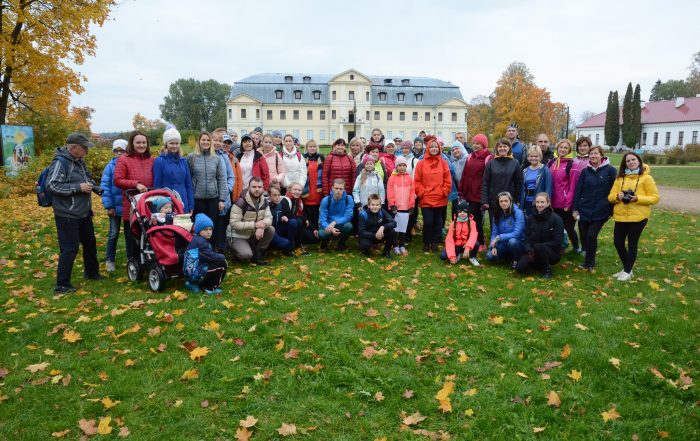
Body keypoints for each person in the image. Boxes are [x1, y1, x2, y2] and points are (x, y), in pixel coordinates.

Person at [47, 132, 103, 292]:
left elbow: (86, 179)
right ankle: (62, 284)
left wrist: (94, 187)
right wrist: (78, 188)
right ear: (73, 147)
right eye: (84, 148)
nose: (87, 151)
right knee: (70, 248)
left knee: (90, 243)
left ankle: (91, 272)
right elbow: (52, 185)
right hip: (67, 214)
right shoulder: (60, 162)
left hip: (83, 212)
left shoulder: (79, 161)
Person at [607, 152, 659, 281]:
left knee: (632, 244)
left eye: (633, 160)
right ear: (624, 164)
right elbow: (610, 197)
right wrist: (617, 196)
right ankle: (627, 269)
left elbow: (655, 198)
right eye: (628, 161)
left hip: (638, 217)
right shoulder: (620, 178)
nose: (631, 162)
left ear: (639, 161)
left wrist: (638, 198)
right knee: (618, 243)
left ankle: (627, 271)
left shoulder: (647, 178)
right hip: (621, 216)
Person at [572, 146, 616, 272]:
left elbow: (614, 190)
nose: (593, 156)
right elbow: (578, 191)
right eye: (591, 154)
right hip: (584, 209)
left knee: (591, 235)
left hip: (601, 211)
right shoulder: (585, 171)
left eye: (596, 153)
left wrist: (611, 210)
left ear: (601, 155)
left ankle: (589, 263)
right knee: (585, 236)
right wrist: (575, 209)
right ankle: (588, 261)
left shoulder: (610, 170)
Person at [115, 131, 155, 261]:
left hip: (148, 203)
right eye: (138, 142)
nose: (141, 145)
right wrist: (135, 184)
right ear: (132, 143)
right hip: (132, 204)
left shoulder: (151, 160)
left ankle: (147, 260)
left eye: (144, 142)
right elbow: (118, 180)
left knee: (149, 233)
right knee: (132, 235)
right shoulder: (124, 159)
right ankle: (133, 261)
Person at [187, 131, 227, 247]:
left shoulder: (216, 159)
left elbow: (221, 179)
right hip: (197, 198)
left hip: (213, 198)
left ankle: (211, 249)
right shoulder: (191, 158)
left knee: (211, 225)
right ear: (199, 141)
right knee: (200, 226)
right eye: (203, 140)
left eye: (208, 140)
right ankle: (200, 249)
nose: (206, 142)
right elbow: (188, 179)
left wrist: (222, 199)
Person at [414, 135, 452, 252]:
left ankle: (435, 242)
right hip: (426, 198)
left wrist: (444, 191)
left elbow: (448, 180)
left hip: (440, 197)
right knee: (428, 222)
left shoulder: (444, 163)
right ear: (428, 148)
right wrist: (422, 193)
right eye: (432, 147)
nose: (434, 149)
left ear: (439, 149)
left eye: (436, 147)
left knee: (438, 221)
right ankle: (426, 242)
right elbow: (417, 181)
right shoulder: (421, 163)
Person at [515, 193, 564, 279]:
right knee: (519, 268)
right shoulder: (530, 218)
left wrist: (538, 247)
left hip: (551, 252)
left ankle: (547, 270)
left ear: (548, 203)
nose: (539, 205)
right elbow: (527, 237)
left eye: (542, 202)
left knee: (538, 247)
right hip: (533, 251)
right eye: (537, 202)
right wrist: (529, 250)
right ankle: (538, 265)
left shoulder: (556, 219)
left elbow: (557, 241)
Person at [227, 176, 274, 265]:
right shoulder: (240, 202)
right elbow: (234, 223)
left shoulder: (264, 201)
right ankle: (235, 253)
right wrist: (255, 225)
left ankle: (257, 255)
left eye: (259, 187)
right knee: (246, 255)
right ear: (248, 188)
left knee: (270, 229)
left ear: (263, 188)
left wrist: (262, 226)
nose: (257, 189)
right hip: (237, 235)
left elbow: (269, 218)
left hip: (251, 234)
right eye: (254, 187)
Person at [459, 134, 492, 251]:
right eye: (474, 143)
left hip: (479, 194)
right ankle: (472, 240)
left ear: (484, 145)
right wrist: (461, 191)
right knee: (471, 218)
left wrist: (485, 196)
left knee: (475, 219)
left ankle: (481, 243)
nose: (475, 145)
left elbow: (489, 178)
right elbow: (464, 174)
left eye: (478, 143)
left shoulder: (488, 158)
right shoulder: (470, 156)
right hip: (469, 193)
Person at [548, 139, 579, 253]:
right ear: (557, 148)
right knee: (556, 228)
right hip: (553, 202)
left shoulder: (572, 164)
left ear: (569, 150)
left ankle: (576, 248)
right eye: (561, 147)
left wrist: (568, 203)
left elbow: (573, 186)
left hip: (565, 203)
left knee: (569, 228)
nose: (563, 149)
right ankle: (560, 247)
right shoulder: (551, 162)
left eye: (566, 148)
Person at [153, 127, 194, 213]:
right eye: (171, 143)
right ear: (166, 144)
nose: (175, 146)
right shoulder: (160, 161)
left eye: (177, 143)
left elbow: (188, 185)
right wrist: (159, 206)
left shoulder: (183, 161)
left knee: (183, 221)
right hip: (167, 201)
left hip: (183, 199)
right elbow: (157, 186)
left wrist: (191, 204)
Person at [100, 139, 127, 273]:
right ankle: (110, 259)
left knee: (131, 233)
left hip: (128, 206)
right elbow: (105, 187)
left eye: (122, 151)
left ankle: (132, 257)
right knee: (113, 233)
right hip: (115, 207)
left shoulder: (129, 164)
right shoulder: (110, 167)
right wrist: (109, 206)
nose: (119, 153)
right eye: (116, 151)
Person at [184, 213, 227, 294]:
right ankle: (210, 288)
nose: (208, 232)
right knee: (222, 263)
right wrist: (222, 256)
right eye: (205, 230)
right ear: (198, 230)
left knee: (215, 261)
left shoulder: (196, 239)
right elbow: (211, 256)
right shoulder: (201, 243)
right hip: (195, 274)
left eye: (210, 229)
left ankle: (192, 284)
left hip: (190, 273)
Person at [481, 138, 522, 223]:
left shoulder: (515, 163)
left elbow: (518, 182)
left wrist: (518, 199)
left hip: (510, 200)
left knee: (509, 224)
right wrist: (485, 200)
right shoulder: (491, 163)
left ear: (509, 148)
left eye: (505, 146)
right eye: (500, 147)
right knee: (495, 224)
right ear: (497, 148)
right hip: (493, 200)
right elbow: (485, 182)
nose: (502, 148)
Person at [212, 128, 236, 253]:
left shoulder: (224, 157)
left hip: (224, 195)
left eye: (220, 141)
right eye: (215, 140)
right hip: (211, 195)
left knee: (222, 222)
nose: (218, 143)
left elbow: (231, 176)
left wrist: (227, 188)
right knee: (213, 222)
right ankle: (211, 247)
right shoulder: (207, 155)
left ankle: (221, 248)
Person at [486, 192, 525, 267]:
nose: (503, 203)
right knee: (489, 256)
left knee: (512, 242)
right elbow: (494, 233)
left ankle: (517, 258)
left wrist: (499, 237)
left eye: (506, 201)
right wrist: (493, 247)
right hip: (503, 243)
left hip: (518, 242)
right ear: (498, 203)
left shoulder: (518, 213)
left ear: (511, 201)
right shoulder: (497, 214)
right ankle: (507, 257)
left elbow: (517, 233)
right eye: (501, 201)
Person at [387, 156, 415, 255]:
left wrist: (411, 206)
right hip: (395, 207)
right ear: (396, 167)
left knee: (403, 227)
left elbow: (412, 193)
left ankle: (402, 245)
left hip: (405, 208)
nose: (402, 167)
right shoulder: (392, 178)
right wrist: (392, 204)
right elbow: (390, 192)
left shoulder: (409, 178)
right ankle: (395, 245)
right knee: (395, 228)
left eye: (404, 165)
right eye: (399, 165)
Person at [318, 178, 354, 251]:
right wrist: (331, 229)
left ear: (344, 189)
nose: (338, 191)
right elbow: (322, 219)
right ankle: (325, 241)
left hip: (341, 224)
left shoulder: (349, 199)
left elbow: (348, 216)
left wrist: (335, 222)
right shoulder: (326, 200)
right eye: (336, 188)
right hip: (328, 224)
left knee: (349, 226)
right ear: (332, 188)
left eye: (341, 189)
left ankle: (341, 243)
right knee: (322, 234)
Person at [357, 193, 397, 259]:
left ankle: (386, 252)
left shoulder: (382, 211)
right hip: (368, 237)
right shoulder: (363, 214)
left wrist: (383, 227)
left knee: (392, 231)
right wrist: (375, 235)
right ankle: (364, 251)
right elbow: (361, 232)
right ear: (368, 205)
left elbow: (394, 223)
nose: (375, 207)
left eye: (377, 205)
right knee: (365, 245)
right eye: (373, 205)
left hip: (380, 235)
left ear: (380, 206)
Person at [441, 201, 479, 266]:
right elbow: (449, 239)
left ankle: (472, 257)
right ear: (457, 213)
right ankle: (458, 254)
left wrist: (467, 247)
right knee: (443, 256)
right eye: (460, 212)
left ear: (468, 213)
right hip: (456, 245)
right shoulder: (453, 224)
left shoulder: (472, 223)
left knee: (476, 244)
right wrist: (452, 256)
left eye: (464, 212)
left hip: (466, 245)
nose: (462, 213)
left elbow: (473, 236)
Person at [520, 146, 552, 216]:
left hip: (540, 203)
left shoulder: (545, 170)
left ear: (540, 157)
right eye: (531, 156)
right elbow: (523, 189)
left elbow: (548, 188)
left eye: (536, 156)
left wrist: (547, 202)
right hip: (527, 201)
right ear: (528, 157)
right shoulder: (525, 171)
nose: (533, 158)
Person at [302, 139, 323, 237]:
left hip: (318, 189)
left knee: (316, 211)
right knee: (307, 211)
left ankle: (317, 230)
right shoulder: (303, 159)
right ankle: (310, 231)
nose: (312, 148)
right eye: (310, 146)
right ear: (306, 148)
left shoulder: (321, 158)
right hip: (307, 189)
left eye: (314, 146)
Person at [267, 185, 295, 256]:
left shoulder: (279, 205)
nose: (277, 197)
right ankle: (267, 249)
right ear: (269, 196)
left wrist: (282, 217)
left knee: (293, 222)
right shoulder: (266, 206)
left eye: (279, 195)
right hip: (269, 231)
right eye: (274, 195)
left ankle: (288, 249)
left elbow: (279, 217)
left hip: (277, 229)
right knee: (284, 242)